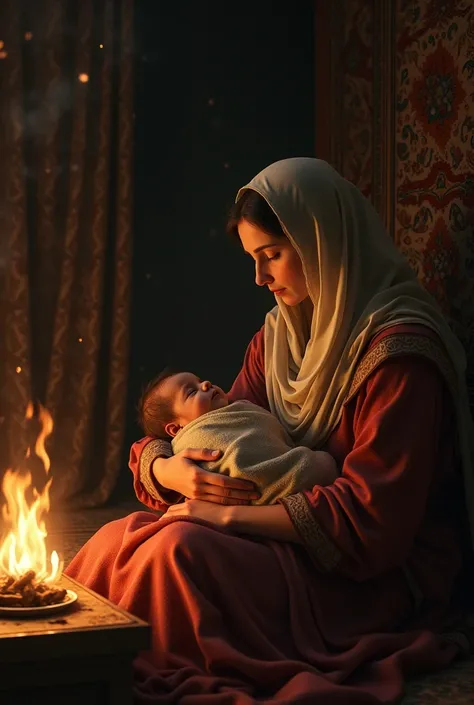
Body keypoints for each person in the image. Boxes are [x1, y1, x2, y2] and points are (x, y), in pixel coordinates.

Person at [66, 158, 474, 705]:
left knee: (179, 553)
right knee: (119, 538)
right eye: (253, 260)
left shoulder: (399, 356)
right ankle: (65, 660)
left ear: (321, 240)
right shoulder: (279, 338)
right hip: (284, 525)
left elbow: (373, 524)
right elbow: (223, 423)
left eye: (272, 256)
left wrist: (227, 514)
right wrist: (166, 466)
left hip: (372, 570)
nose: (260, 278)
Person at [138, 369, 338, 504]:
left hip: (274, 513)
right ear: (175, 430)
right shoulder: (193, 441)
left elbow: (257, 440)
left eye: (199, 381)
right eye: (192, 391)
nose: (206, 384)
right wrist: (161, 468)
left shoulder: (235, 410)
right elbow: (234, 459)